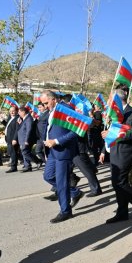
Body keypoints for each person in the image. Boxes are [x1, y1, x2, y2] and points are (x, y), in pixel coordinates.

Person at [99, 88, 132, 223]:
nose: (108, 101)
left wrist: (113, 134)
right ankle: (122, 212)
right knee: (119, 182)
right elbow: (110, 132)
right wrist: (104, 149)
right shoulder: (114, 113)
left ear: (117, 100)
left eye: (110, 99)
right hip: (115, 149)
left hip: (126, 151)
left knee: (118, 182)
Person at [41, 90, 84, 223]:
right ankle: (74, 192)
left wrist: (56, 141)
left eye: (46, 103)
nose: (45, 106)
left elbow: (76, 131)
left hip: (63, 151)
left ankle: (65, 211)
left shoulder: (66, 109)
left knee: (61, 182)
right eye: (43, 104)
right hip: (52, 151)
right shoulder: (51, 111)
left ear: (53, 99)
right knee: (48, 176)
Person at [16, 106, 38, 172]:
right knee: (24, 153)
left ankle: (38, 161)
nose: (18, 113)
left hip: (26, 139)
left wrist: (26, 140)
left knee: (25, 152)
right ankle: (27, 166)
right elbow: (21, 129)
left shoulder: (28, 118)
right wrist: (19, 123)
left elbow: (29, 130)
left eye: (19, 112)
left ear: (23, 112)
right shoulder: (23, 119)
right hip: (22, 139)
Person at [0, 107, 19, 173]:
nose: (11, 112)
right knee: (12, 152)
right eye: (10, 111)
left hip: (13, 138)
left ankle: (13, 167)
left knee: (13, 153)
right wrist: (2, 121)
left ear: (17, 111)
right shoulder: (10, 118)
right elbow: (8, 126)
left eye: (13, 111)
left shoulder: (17, 118)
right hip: (8, 138)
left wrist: (15, 139)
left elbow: (17, 130)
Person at [35, 102, 49, 168]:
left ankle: (49, 165)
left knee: (47, 152)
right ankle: (47, 163)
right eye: (38, 107)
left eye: (40, 107)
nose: (39, 109)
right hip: (39, 137)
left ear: (45, 107)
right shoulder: (40, 115)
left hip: (45, 136)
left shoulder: (48, 114)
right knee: (38, 150)